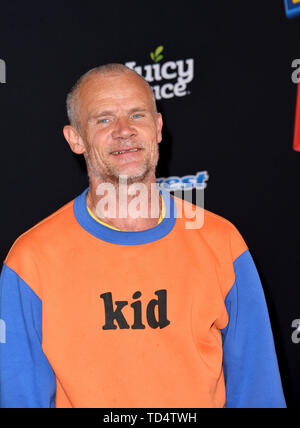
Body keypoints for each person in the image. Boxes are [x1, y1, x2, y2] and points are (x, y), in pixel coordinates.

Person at [0, 64, 286, 408]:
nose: (124, 131)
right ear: (75, 138)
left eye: (137, 115)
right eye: (103, 119)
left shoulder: (221, 242)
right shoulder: (32, 259)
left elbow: (259, 393)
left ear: (158, 127)